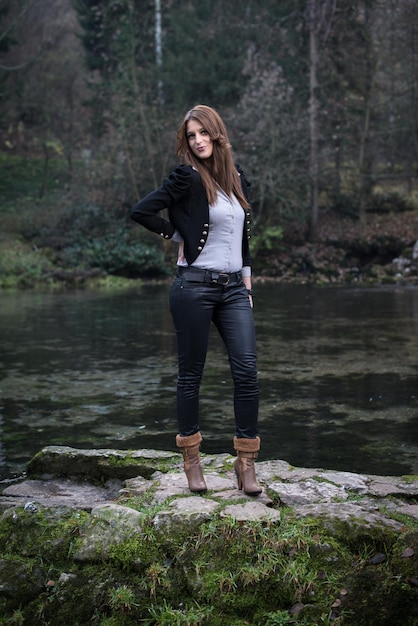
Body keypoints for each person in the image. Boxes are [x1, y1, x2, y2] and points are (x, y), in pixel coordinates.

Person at [130, 104, 261, 496]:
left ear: (217, 134)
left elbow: (243, 240)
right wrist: (176, 234)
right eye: (191, 135)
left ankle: (246, 462)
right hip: (194, 287)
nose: (199, 140)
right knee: (191, 375)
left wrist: (249, 286)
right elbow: (141, 211)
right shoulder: (186, 178)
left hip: (235, 288)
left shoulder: (237, 179)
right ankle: (191, 459)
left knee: (247, 372)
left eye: (204, 132)